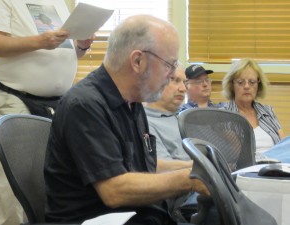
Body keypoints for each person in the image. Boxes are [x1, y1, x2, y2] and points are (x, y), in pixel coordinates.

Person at [44, 15, 209, 225]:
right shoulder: (85, 105)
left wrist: (194, 167)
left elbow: (137, 166)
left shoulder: (132, 101)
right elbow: (114, 190)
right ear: (138, 61)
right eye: (169, 64)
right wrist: (191, 179)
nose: (171, 75)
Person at [0, 1, 94, 225]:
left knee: (54, 180)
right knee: (14, 188)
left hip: (59, 104)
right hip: (18, 100)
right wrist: (39, 42)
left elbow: (67, 52)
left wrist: (81, 47)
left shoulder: (59, 3)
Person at [222, 58, 286, 158]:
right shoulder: (224, 115)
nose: (247, 86)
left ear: (258, 85)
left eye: (252, 82)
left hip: (275, 166)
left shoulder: (267, 111)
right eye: (240, 82)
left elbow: (283, 145)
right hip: (247, 168)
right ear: (232, 85)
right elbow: (239, 155)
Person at [144, 64, 191, 162]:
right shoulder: (145, 123)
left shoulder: (187, 118)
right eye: (174, 80)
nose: (183, 89)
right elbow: (162, 169)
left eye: (184, 82)